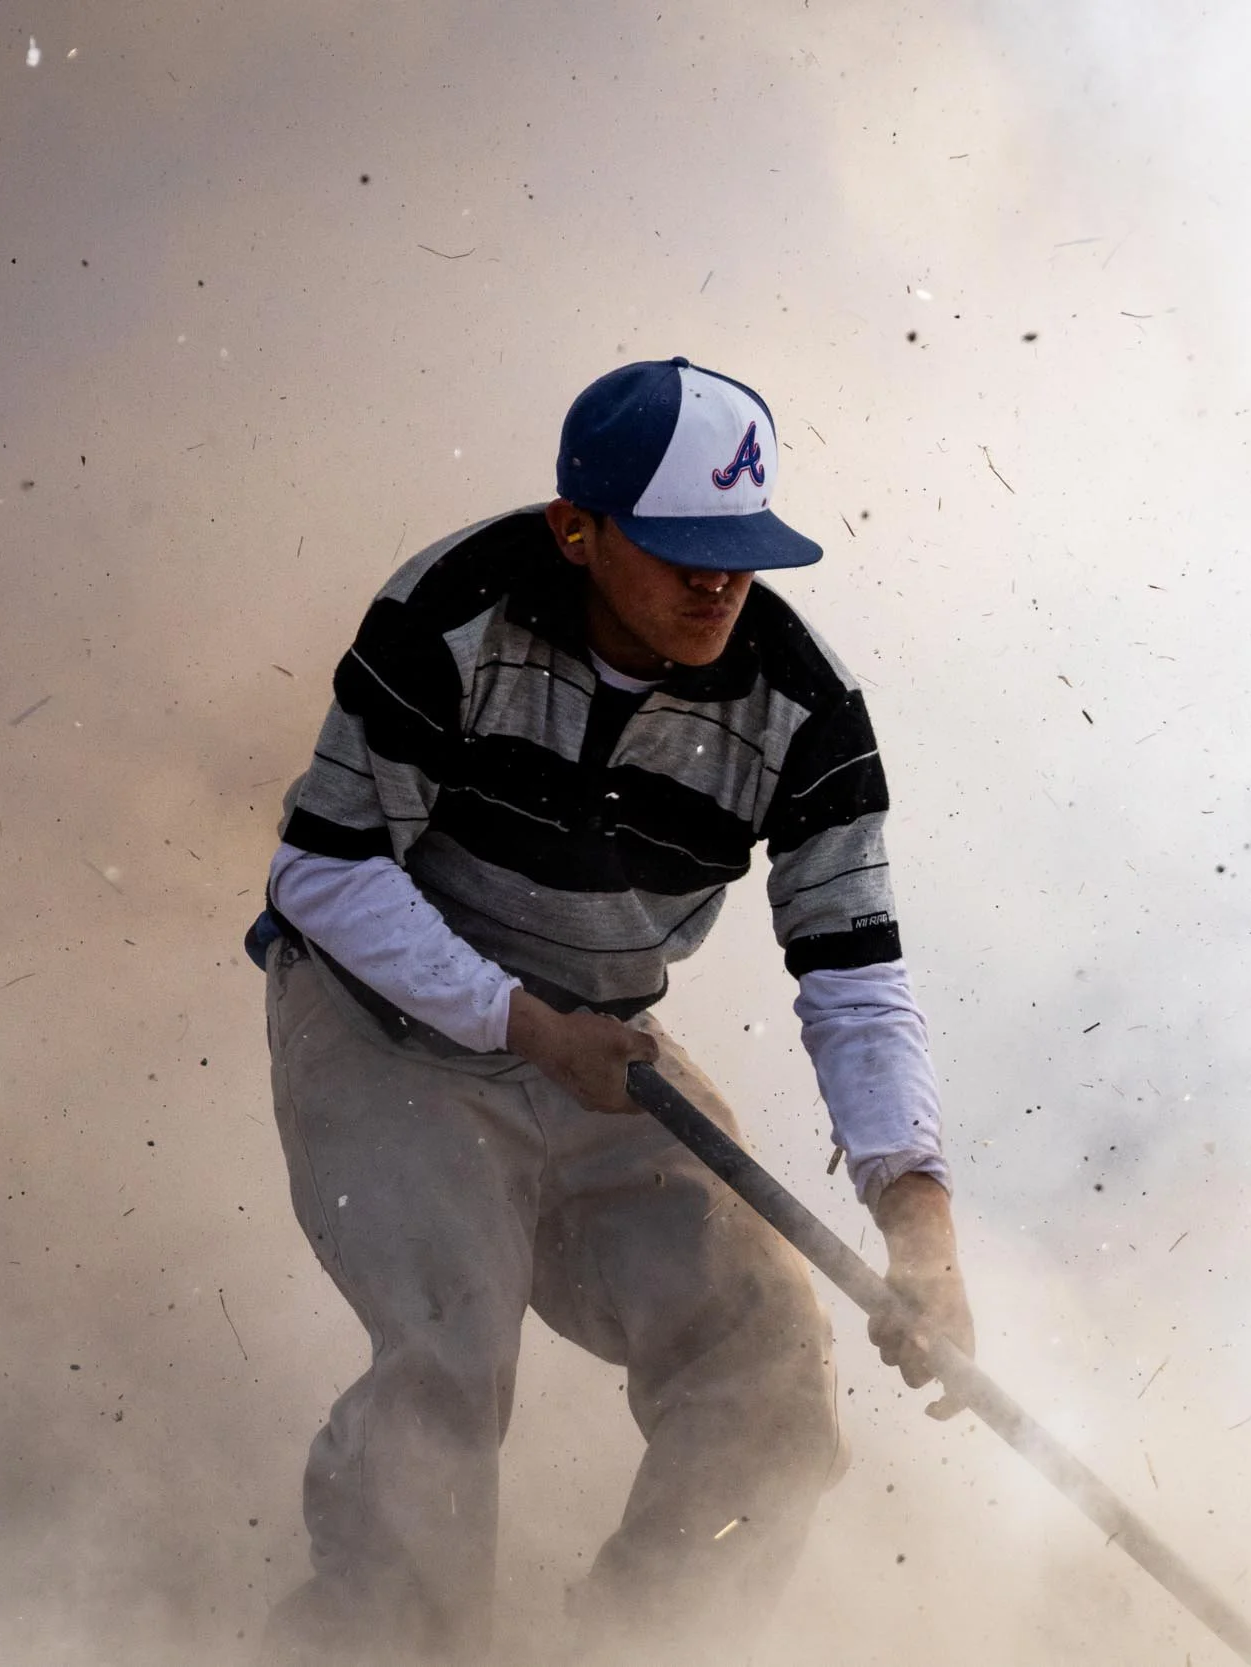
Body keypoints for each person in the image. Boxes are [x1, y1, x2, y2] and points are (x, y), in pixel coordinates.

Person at [247, 356, 972, 1664]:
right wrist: (519, 1024)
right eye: (682, 548)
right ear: (576, 530)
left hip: (599, 1049)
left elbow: (856, 976)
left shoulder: (807, 711)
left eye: (742, 550)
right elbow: (321, 869)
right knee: (449, 1361)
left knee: (769, 1372)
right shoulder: (450, 610)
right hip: (379, 1025)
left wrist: (920, 1234)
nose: (719, 584)